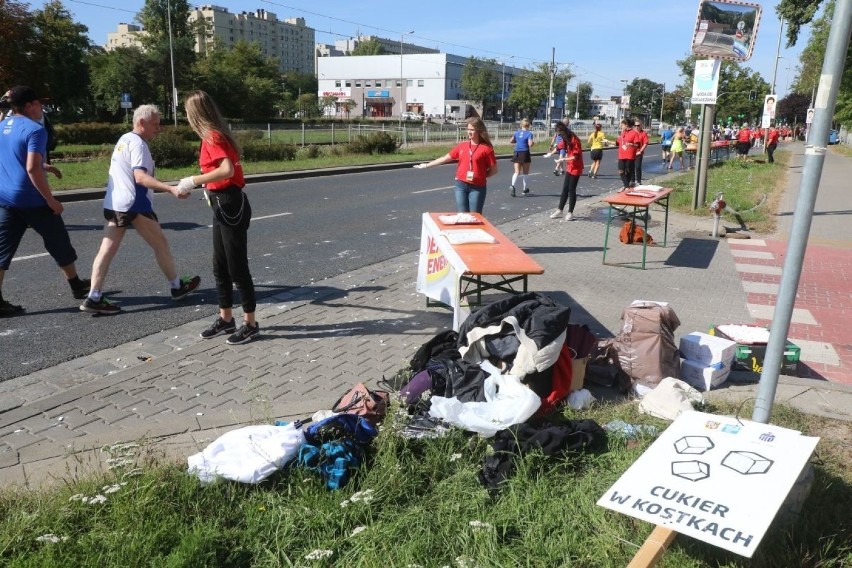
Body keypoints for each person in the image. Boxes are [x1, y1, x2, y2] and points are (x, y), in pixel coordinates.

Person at [80, 104, 201, 315]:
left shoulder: (124, 139)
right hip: (134, 205)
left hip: (115, 203)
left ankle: (94, 296)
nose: (159, 128)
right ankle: (177, 287)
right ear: (141, 122)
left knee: (106, 250)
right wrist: (171, 189)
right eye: (155, 124)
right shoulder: (139, 144)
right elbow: (140, 177)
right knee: (160, 244)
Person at [0, 86, 90, 316]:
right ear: (29, 105)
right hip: (32, 198)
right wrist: (50, 200)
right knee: (58, 240)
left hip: (6, 198)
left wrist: (44, 165)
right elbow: (31, 166)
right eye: (38, 103)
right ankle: (77, 285)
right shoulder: (35, 130)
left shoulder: (2, 126)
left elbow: (16, 157)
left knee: (2, 251)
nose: (41, 108)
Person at [180, 90, 259, 345]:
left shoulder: (213, 136)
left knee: (237, 267)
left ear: (195, 114)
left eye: (186, 112)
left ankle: (251, 323)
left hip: (229, 204)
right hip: (221, 203)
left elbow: (225, 169)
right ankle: (226, 318)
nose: (185, 116)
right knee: (220, 265)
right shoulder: (212, 135)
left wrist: (194, 181)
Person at [413, 117, 498, 211]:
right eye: (468, 129)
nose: (469, 132)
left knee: (475, 217)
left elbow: (494, 170)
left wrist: (480, 176)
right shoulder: (462, 146)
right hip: (460, 185)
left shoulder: (486, 149)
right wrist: (426, 165)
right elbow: (444, 159)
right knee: (462, 216)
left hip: (477, 187)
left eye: (472, 130)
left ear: (479, 131)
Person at [549, 122, 583, 221]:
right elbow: (560, 147)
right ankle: (560, 210)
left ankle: (570, 212)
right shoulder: (565, 138)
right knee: (565, 188)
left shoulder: (574, 139)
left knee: (571, 189)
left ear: (563, 131)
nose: (559, 136)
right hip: (570, 166)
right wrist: (551, 153)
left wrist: (563, 159)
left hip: (576, 167)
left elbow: (576, 156)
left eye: (559, 134)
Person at [509, 118, 533, 197]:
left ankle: (512, 185)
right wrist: (533, 143)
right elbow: (530, 144)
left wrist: (518, 141)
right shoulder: (529, 134)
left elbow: (511, 141)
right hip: (525, 152)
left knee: (516, 172)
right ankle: (524, 189)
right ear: (528, 125)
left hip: (517, 152)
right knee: (525, 173)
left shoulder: (517, 133)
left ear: (521, 125)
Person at [616, 119, 640, 191]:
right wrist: (607, 142)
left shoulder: (634, 133)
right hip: (621, 155)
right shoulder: (622, 133)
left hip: (630, 155)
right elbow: (618, 143)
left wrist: (632, 144)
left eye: (622, 125)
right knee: (621, 170)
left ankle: (626, 186)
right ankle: (626, 186)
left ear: (626, 125)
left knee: (628, 171)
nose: (621, 126)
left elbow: (637, 145)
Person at [632, 120, 649, 185]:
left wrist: (640, 151)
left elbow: (645, 143)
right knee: (631, 167)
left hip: (638, 153)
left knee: (637, 167)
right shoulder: (632, 133)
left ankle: (639, 181)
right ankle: (632, 181)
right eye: (635, 125)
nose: (636, 127)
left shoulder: (643, 133)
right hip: (631, 152)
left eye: (638, 125)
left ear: (641, 126)